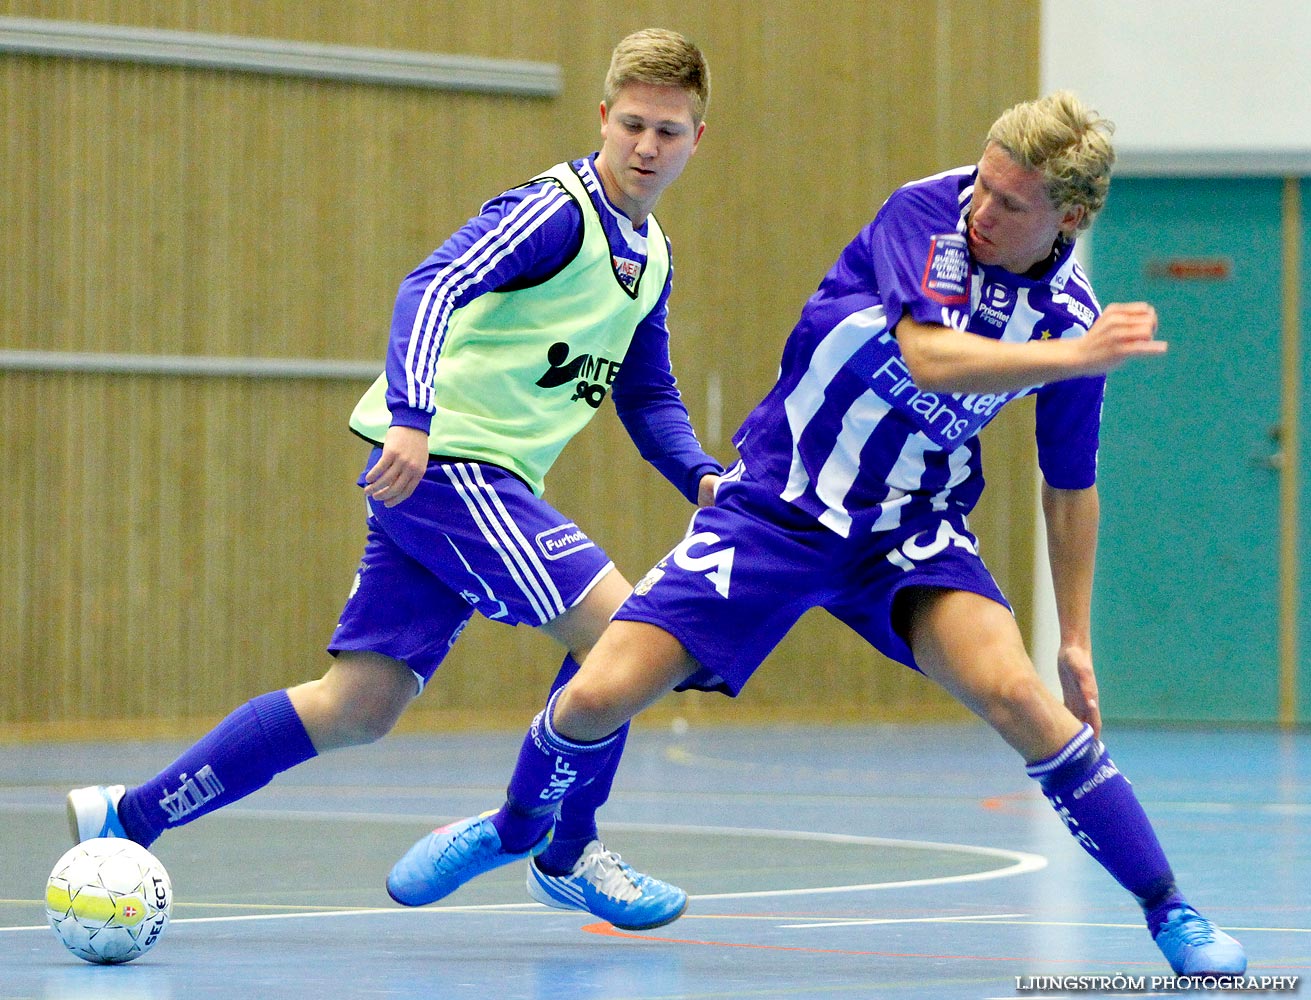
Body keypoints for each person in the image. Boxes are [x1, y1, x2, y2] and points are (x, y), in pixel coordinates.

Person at [385, 91, 1247, 976]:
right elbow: (927, 356)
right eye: (982, 184)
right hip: (775, 508)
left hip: (908, 530)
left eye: (1009, 203)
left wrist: (1074, 637)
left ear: (1067, 217)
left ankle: (1169, 912)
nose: (981, 211)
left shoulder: (1071, 321)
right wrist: (1073, 357)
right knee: (601, 693)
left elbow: (1068, 485)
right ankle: (517, 829)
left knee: (1025, 703)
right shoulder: (929, 214)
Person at [67, 28, 721, 932]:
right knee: (624, 637)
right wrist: (412, 416)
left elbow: (647, 392)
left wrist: (696, 474)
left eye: (670, 133)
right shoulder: (556, 212)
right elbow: (432, 283)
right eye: (634, 126)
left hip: (463, 483)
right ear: (604, 118)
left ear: (697, 139)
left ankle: (127, 816)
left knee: (356, 707)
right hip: (449, 466)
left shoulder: (651, 257)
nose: (647, 148)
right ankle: (558, 849)